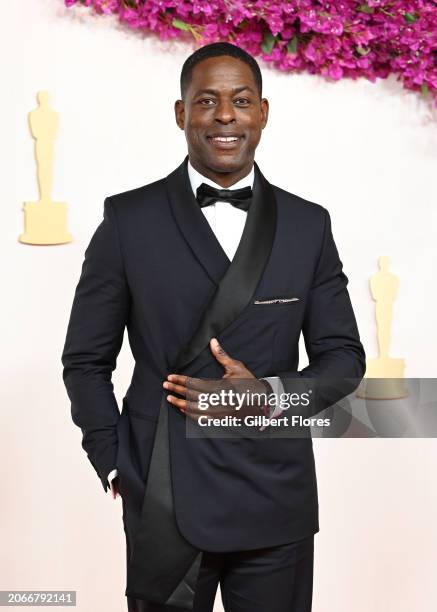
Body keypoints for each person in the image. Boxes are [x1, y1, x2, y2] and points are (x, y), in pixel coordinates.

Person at [61, 42, 366, 612]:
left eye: (241, 101)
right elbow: (85, 361)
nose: (225, 116)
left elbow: (344, 360)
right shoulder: (127, 220)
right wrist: (115, 464)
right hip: (164, 490)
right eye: (207, 101)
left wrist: (269, 396)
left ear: (263, 113)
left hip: (276, 492)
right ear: (181, 114)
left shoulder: (308, 225)